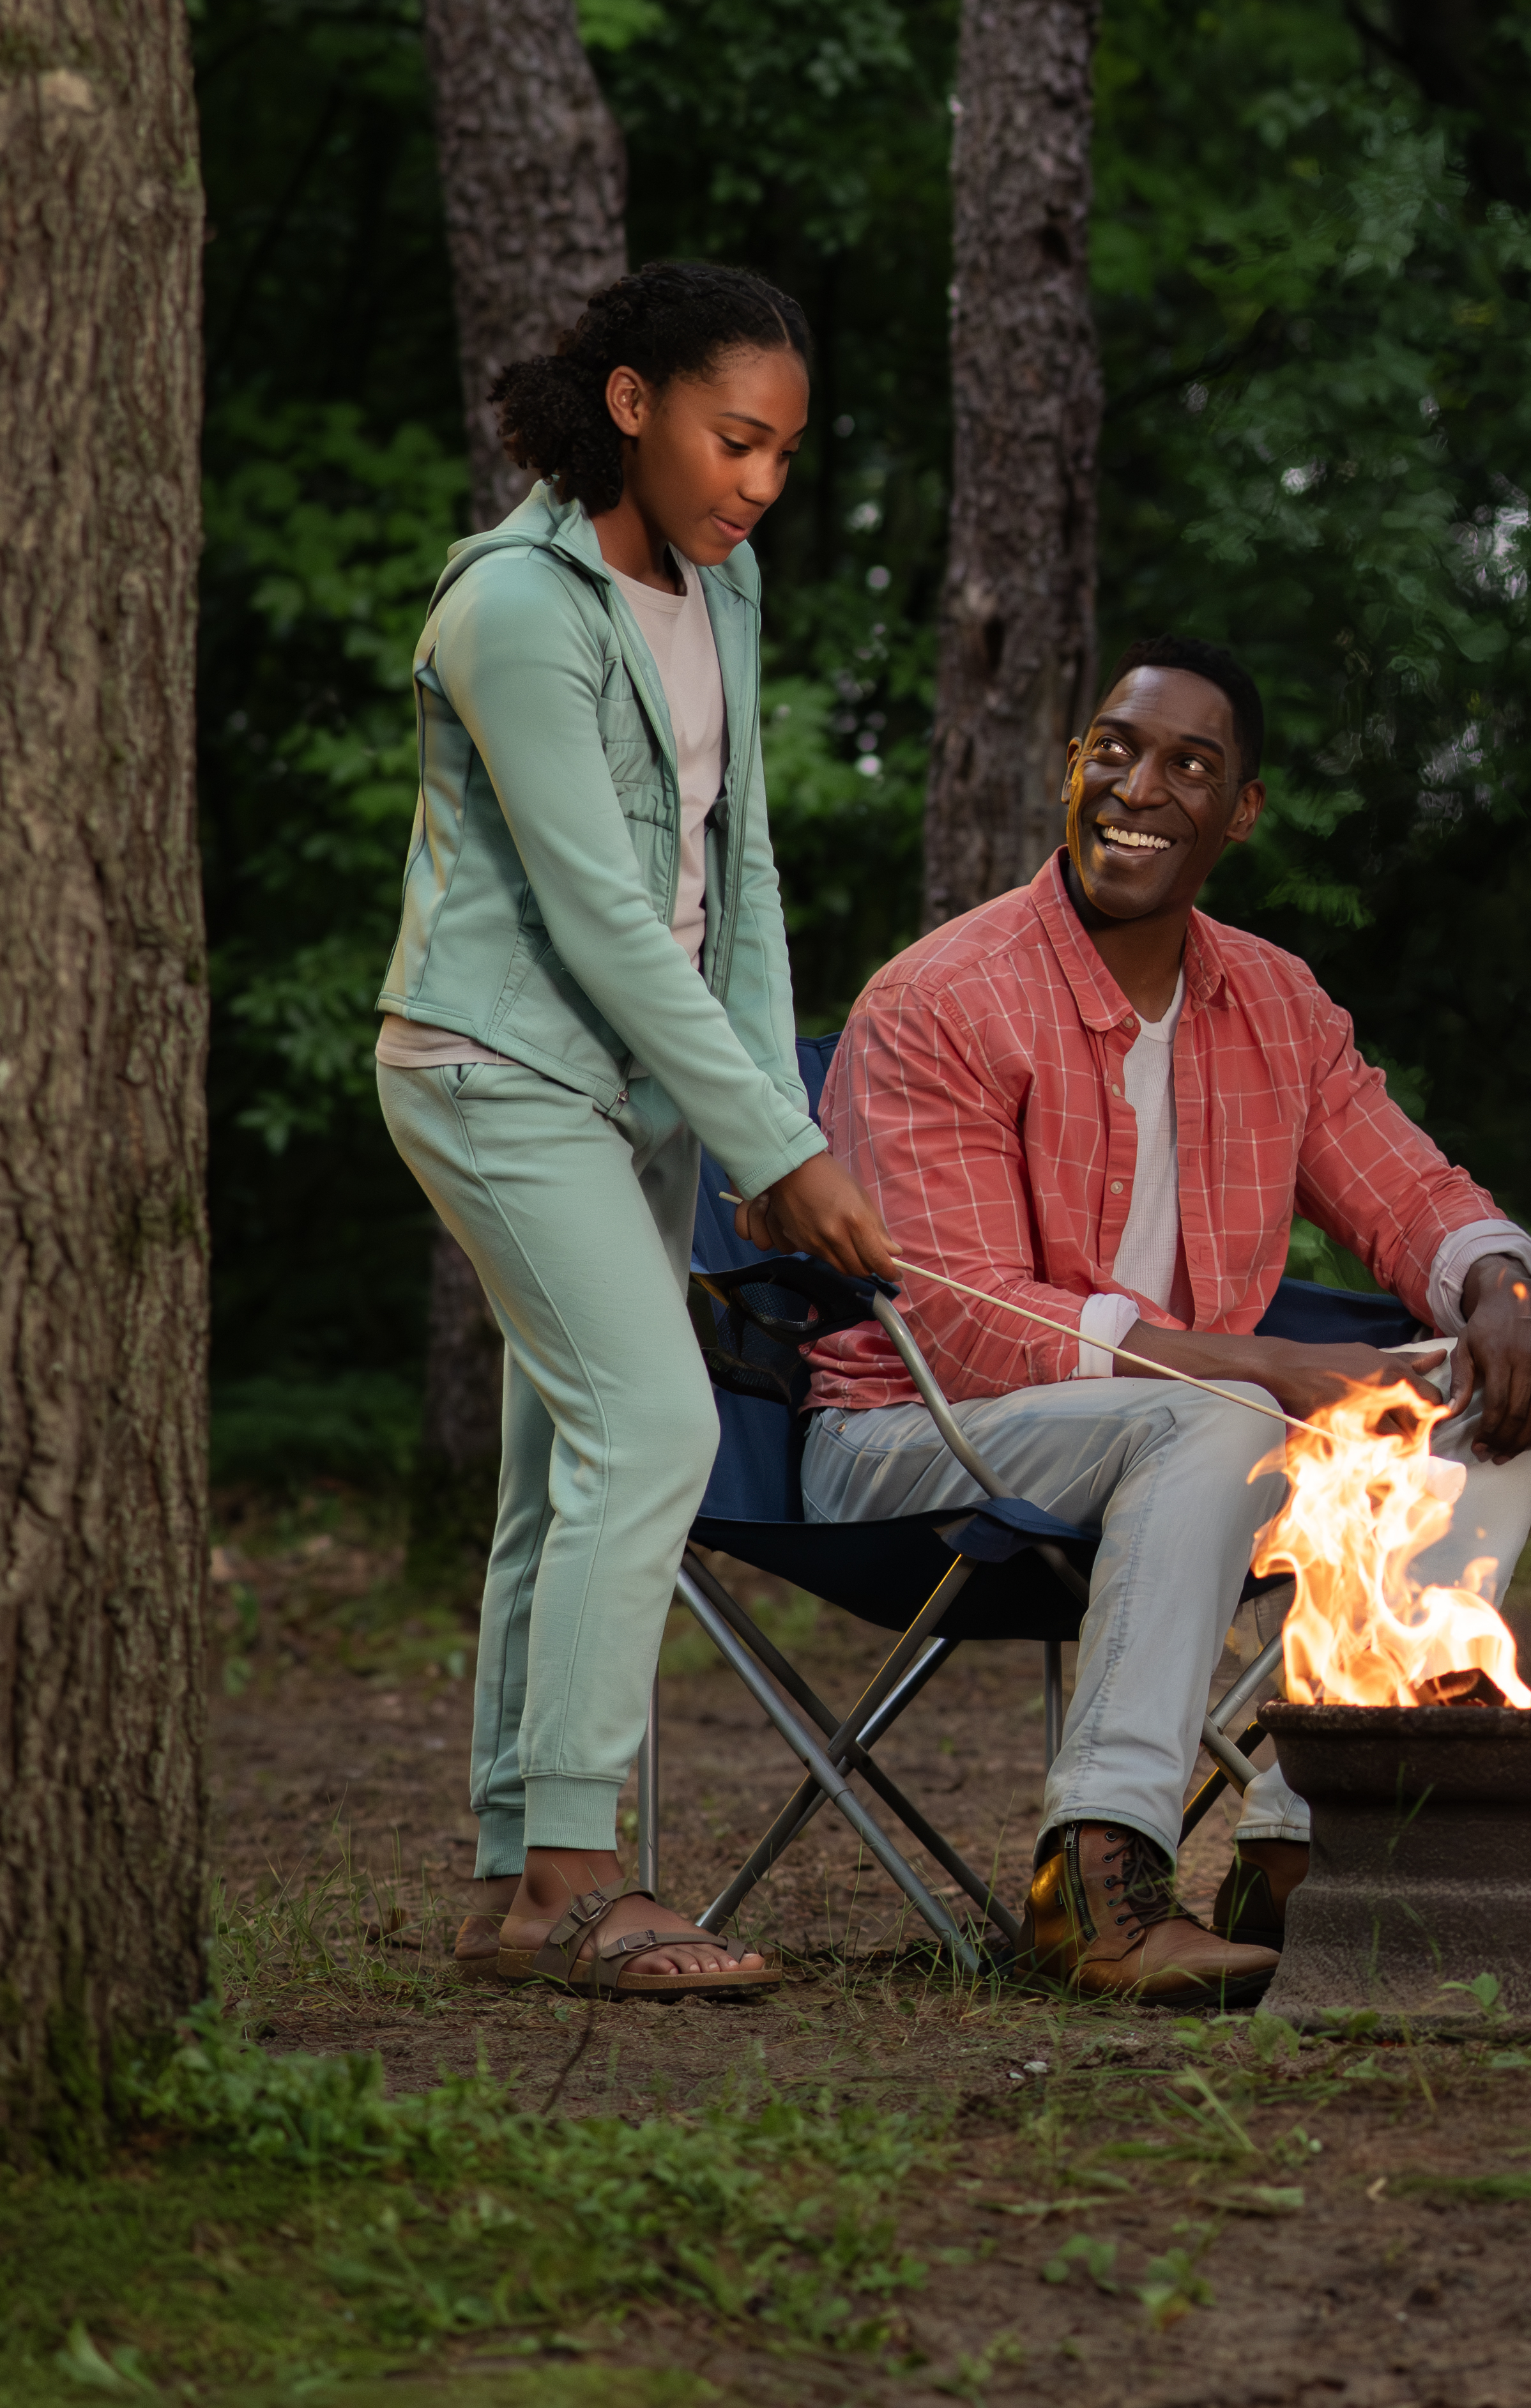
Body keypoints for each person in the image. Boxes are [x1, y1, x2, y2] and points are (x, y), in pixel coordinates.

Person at [804, 636, 1531, 2007]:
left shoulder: (1272, 1000)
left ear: (1241, 812)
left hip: (1185, 1450)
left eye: (1187, 764)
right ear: (1070, 769)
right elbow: (969, 1329)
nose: (1136, 786)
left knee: (1480, 1407)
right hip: (909, 1444)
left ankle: (1296, 1850)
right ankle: (1095, 1880)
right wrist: (1272, 1367)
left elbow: (1410, 1190)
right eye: (1112, 749)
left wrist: (1500, 1285)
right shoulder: (942, 997)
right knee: (1221, 1414)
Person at [379, 261, 904, 2004]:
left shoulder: (722, 595)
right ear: (632, 403)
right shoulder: (513, 607)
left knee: (563, 1468)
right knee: (654, 1428)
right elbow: (603, 917)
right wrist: (781, 1147)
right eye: (733, 439)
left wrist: (770, 1124)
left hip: (633, 1095)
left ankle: (511, 1876)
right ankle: (578, 1887)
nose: (759, 485)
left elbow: (729, 880)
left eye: (782, 456)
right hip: (496, 1066)